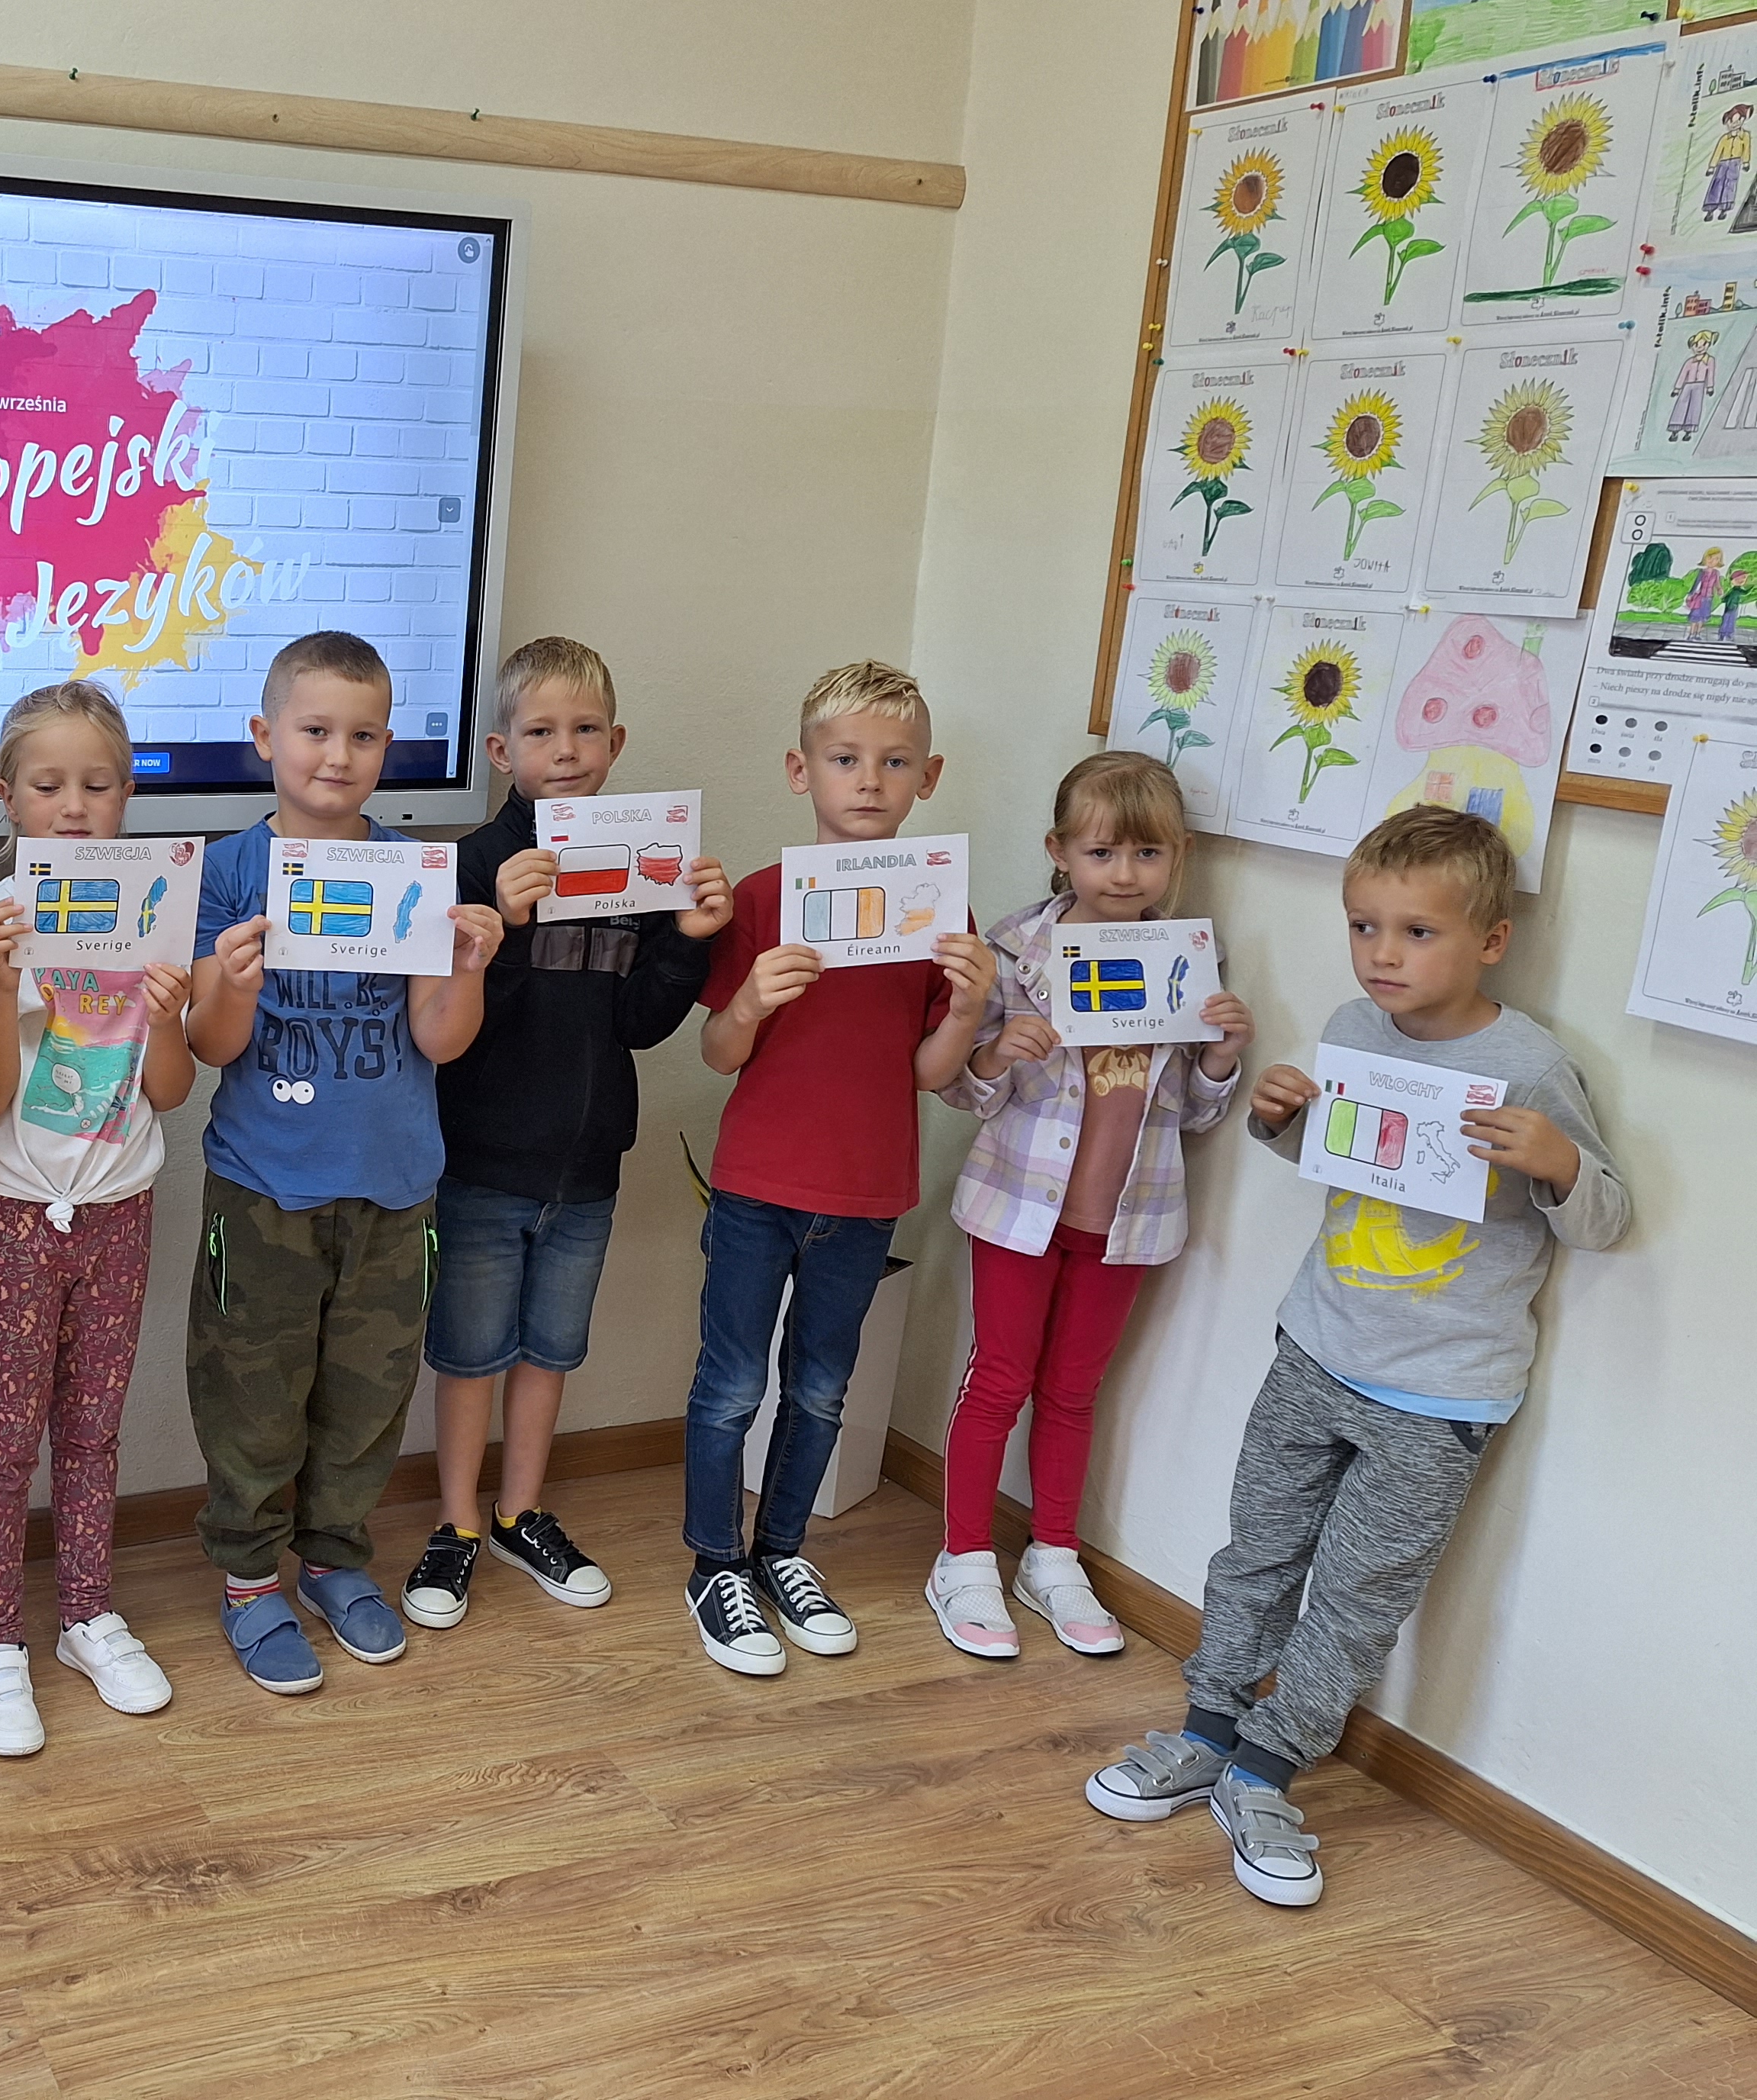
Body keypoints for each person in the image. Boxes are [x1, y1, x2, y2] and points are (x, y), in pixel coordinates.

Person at [1083, 807, 1627, 1909]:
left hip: (1441, 1394)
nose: (1383, 954)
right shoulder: (1352, 1026)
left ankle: (1267, 1771)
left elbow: (1605, 1219)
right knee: (1256, 1555)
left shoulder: (1530, 1068)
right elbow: (1339, 1159)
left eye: (1417, 932)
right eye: (1364, 926)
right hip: (1314, 1349)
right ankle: (1206, 1731)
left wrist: (1562, 1162)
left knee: (1356, 1598)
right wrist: (1279, 1117)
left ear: (1490, 941)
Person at [184, 630, 503, 1692]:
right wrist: (230, 983)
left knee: (368, 1396)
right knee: (251, 1396)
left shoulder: (416, 870)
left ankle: (332, 1559)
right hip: (262, 1188)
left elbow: (441, 1040)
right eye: (315, 730)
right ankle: (248, 1581)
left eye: (364, 736)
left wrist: (468, 964)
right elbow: (209, 1046)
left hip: (395, 1188)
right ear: (264, 736)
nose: (338, 754)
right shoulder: (227, 870)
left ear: (388, 747)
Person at [399, 636, 729, 1631]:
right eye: (542, 732)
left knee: (550, 1350)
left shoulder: (644, 863)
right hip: (481, 1162)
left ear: (616, 743)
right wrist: (502, 926)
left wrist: (690, 942)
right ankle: (456, 1523)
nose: (568, 750)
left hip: (588, 1167)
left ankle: (519, 1512)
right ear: (503, 751)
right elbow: (450, 1034)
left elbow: (639, 1023)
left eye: (587, 730)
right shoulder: (472, 862)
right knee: (469, 1355)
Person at [684, 661, 993, 1677]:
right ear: (800, 770)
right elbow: (717, 1054)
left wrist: (971, 1008)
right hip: (755, 1188)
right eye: (846, 759)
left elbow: (928, 1074)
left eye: (895, 762)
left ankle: (781, 1552)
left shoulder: (940, 915)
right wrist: (751, 1000)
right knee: (731, 1385)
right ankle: (715, 1565)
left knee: (820, 1389)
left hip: (863, 1196)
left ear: (927, 778)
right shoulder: (762, 899)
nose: (869, 780)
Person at [925, 753, 1251, 1660]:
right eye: (1102, 852)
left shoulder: (1189, 961)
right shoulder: (1015, 953)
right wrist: (999, 1053)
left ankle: (1054, 1552)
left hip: (1126, 1222)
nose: (1125, 874)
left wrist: (1221, 1057)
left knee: (1074, 1391)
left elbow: (1192, 1113)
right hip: (1020, 1208)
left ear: (1177, 857)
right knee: (999, 1379)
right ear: (1059, 851)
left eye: (1148, 854)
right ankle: (963, 1557)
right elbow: (962, 1089)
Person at [0, 682, 194, 1756]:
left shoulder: (158, 913)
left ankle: (87, 1614)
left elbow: (172, 1089)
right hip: (14, 1213)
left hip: (121, 1208)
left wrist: (171, 1015)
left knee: (93, 1432)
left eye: (98, 785)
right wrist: (1, 989)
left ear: (127, 793)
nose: (74, 807)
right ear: (8, 797)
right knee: (4, 1443)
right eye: (48, 786)